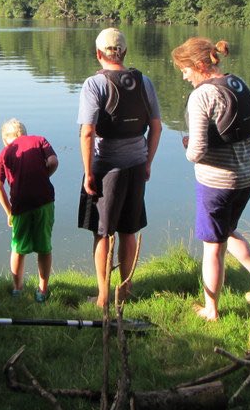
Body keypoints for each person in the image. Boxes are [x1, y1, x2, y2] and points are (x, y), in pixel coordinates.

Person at [172, 37, 250, 321]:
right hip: (247, 174)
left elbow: (197, 151)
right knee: (228, 230)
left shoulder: (201, 96)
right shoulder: (236, 82)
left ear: (199, 65)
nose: (184, 76)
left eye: (185, 69)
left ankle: (211, 309)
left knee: (212, 247)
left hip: (217, 181)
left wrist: (186, 146)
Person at [78, 27, 162, 308]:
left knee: (102, 232)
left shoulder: (94, 84)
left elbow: (88, 132)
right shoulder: (144, 81)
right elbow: (156, 126)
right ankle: (125, 291)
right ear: (125, 52)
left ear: (98, 53)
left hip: (106, 168)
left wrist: (89, 172)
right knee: (129, 229)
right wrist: (148, 162)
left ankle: (103, 296)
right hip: (137, 164)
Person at [0, 119, 58, 302]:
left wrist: (9, 211)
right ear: (25, 132)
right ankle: (42, 291)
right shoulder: (39, 140)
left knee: (18, 248)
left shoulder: (5, 152)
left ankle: (17, 289)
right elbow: (53, 161)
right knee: (44, 246)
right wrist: (44, 176)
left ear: (6, 139)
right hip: (44, 200)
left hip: (20, 205)